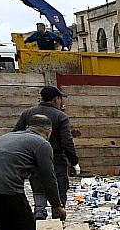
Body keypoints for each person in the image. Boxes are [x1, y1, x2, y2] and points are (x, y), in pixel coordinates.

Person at [14, 86, 78, 219]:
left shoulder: (27, 113)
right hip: (56, 159)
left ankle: (39, 211)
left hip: (33, 158)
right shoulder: (61, 116)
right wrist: (74, 162)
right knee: (59, 190)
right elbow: (67, 142)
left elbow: (17, 135)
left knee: (38, 189)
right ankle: (57, 216)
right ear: (56, 99)